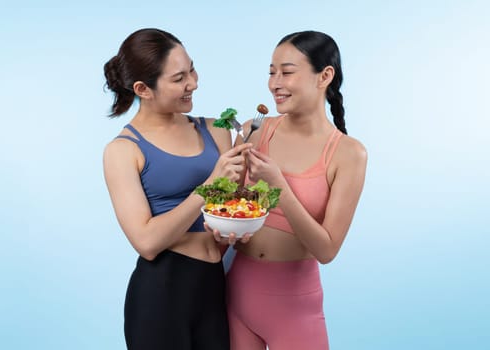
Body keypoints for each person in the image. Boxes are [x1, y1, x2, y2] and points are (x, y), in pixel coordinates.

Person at [102, 28, 252, 350]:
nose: (193, 83)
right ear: (143, 89)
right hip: (161, 295)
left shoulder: (217, 129)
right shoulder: (124, 150)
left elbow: (229, 209)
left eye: (192, 69)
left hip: (215, 289)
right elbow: (147, 242)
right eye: (179, 78)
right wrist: (209, 186)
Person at [224, 30, 368, 349]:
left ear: (324, 76)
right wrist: (222, 226)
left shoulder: (348, 154)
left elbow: (327, 250)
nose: (275, 82)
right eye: (271, 72)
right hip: (235, 294)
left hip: (294, 307)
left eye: (287, 72)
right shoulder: (254, 131)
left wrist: (279, 187)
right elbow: (229, 207)